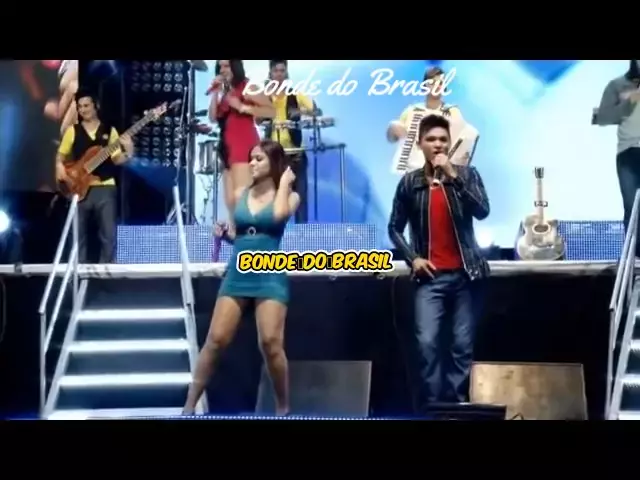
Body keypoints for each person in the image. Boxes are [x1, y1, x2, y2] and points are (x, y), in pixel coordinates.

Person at [183, 139, 300, 416]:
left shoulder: (290, 196)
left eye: (259, 159)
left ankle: (283, 407)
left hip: (270, 272)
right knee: (216, 339)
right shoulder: (240, 193)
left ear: (274, 162)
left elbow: (279, 216)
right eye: (251, 158)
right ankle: (188, 407)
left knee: (270, 343)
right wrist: (225, 234)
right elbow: (240, 235)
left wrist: (284, 182)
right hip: (238, 271)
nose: (251, 163)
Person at [387, 114, 490, 411]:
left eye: (443, 139)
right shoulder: (410, 183)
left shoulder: (467, 175)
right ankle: (433, 408)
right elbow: (394, 228)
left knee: (461, 346)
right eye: (431, 139)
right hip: (429, 279)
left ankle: (456, 406)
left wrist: (453, 176)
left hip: (466, 276)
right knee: (427, 344)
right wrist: (413, 258)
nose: (438, 144)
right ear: (420, 144)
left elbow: (482, 210)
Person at [55, 89, 134, 263]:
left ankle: (107, 272)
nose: (83, 110)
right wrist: (60, 168)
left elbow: (117, 160)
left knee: (108, 234)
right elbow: (60, 156)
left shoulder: (110, 131)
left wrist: (129, 151)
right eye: (80, 107)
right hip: (79, 188)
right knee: (77, 235)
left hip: (105, 187)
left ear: (95, 106)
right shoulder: (72, 131)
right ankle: (77, 272)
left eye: (87, 105)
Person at [207, 60, 275, 234]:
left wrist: (242, 107)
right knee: (230, 201)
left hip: (244, 145)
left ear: (235, 67)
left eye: (226, 66)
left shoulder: (248, 87)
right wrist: (215, 93)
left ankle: (251, 237)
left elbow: (270, 111)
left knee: (241, 197)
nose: (223, 70)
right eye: (220, 67)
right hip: (227, 149)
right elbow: (213, 118)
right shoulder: (224, 91)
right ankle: (237, 237)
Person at [264, 59, 320, 223]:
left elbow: (317, 111)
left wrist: (300, 111)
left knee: (300, 198)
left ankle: (302, 235)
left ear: (286, 73)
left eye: (282, 71)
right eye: (276, 71)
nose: (279, 75)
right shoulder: (265, 97)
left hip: (296, 155)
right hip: (275, 156)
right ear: (270, 74)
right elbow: (257, 120)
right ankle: (274, 234)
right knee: (274, 199)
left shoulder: (295, 94)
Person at [594, 60, 640, 256]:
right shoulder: (617, 85)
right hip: (628, 152)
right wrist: (630, 101)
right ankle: (634, 259)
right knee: (632, 208)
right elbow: (602, 117)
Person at [387, 66, 473, 167]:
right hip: (414, 171)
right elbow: (392, 138)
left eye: (440, 83)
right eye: (432, 83)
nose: (437, 86)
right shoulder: (410, 111)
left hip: (442, 170)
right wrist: (393, 130)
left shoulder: (453, 112)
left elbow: (463, 143)